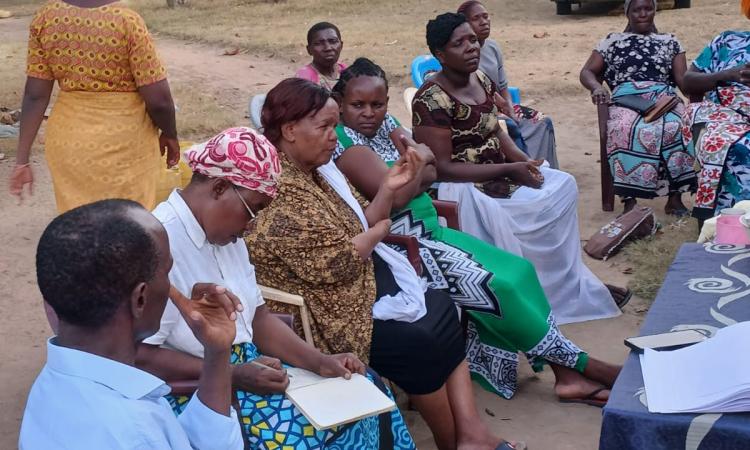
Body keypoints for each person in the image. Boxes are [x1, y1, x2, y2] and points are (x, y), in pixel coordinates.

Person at [248, 78, 523, 450]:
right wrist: (376, 231)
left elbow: (362, 222)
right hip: (321, 307)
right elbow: (340, 263)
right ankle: (451, 441)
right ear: (290, 130)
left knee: (442, 304)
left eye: (335, 126)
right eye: (326, 127)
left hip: (359, 279)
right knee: (418, 340)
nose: (335, 137)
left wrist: (389, 190)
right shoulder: (279, 187)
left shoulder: (319, 171)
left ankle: (471, 435)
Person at [332, 57, 621, 404]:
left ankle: (566, 375)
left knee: (519, 270)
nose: (369, 112)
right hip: (401, 246)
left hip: (429, 232)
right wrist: (417, 167)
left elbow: (431, 170)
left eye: (377, 104)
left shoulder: (387, 125)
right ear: (341, 104)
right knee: (498, 285)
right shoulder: (347, 146)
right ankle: (584, 366)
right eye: (358, 105)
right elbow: (398, 192)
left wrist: (418, 170)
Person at [135, 127, 414, 449]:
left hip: (248, 368)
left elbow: (258, 317)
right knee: (303, 439)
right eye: (253, 210)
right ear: (220, 187)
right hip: (197, 391)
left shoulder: (227, 236)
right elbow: (138, 355)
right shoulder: (161, 243)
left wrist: (319, 360)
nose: (252, 226)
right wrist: (232, 372)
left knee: (368, 392)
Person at [413, 12, 624, 325]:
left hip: (500, 171)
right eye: (460, 43)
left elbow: (496, 129)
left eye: (473, 39)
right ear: (440, 55)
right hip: (463, 186)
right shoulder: (430, 99)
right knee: (518, 209)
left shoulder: (481, 80)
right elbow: (442, 168)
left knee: (563, 185)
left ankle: (563, 285)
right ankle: (528, 295)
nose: (472, 47)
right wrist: (509, 169)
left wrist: (522, 161)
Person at [20, 199, 243, 449]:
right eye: (167, 273)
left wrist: (217, 352)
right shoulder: (134, 433)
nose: (172, 288)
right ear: (140, 298)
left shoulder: (55, 384)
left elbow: (194, 443)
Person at [9, 0, 179, 213]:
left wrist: (22, 161)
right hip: (124, 143)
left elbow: (35, 96)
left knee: (79, 223)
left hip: (69, 143)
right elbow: (159, 101)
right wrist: (170, 134)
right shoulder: (126, 21)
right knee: (128, 223)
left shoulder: (46, 18)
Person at [579, 0, 696, 215]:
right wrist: (596, 87)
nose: (643, 14)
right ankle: (630, 202)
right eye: (637, 10)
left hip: (663, 98)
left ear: (654, 11)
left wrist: (698, 94)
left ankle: (675, 198)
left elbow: (683, 81)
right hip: (627, 99)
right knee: (625, 128)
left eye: (648, 9)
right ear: (627, 13)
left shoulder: (670, 41)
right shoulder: (612, 41)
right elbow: (587, 72)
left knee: (680, 126)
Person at [457, 0, 559, 168]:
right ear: (465, 24)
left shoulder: (493, 47)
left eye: (486, 16)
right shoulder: (465, 54)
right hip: (481, 111)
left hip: (502, 107)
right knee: (508, 125)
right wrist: (501, 109)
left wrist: (510, 107)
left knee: (543, 121)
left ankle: (546, 168)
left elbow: (503, 85)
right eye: (476, 18)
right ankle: (525, 166)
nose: (484, 22)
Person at [681, 2, 750, 220]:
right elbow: (688, 82)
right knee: (723, 144)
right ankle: (723, 221)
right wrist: (729, 75)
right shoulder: (727, 41)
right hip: (724, 116)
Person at [295, 22, 347, 90]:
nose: (328, 48)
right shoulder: (303, 79)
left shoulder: (347, 71)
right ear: (309, 50)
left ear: (341, 45)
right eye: (319, 43)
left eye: (333, 41)